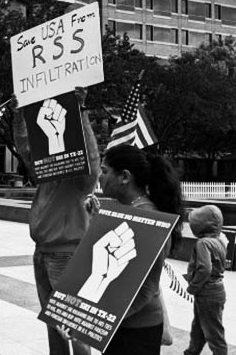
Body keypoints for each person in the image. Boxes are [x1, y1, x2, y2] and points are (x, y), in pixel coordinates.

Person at [27, 88, 97, 355]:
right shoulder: (46, 171)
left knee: (75, 326)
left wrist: (79, 111)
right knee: (53, 323)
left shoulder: (79, 178)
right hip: (42, 253)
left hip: (65, 254)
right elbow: (27, 148)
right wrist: (20, 115)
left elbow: (92, 161)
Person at [98, 144, 183, 355]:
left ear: (124, 177)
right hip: (126, 325)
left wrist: (98, 318)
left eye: (105, 171)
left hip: (135, 330)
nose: (100, 177)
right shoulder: (130, 211)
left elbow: (146, 288)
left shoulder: (146, 218)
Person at [184, 205, 228, 355]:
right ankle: (191, 352)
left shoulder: (203, 243)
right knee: (199, 326)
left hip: (206, 292)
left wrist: (193, 286)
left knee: (213, 333)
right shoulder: (219, 241)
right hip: (216, 290)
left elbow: (205, 268)